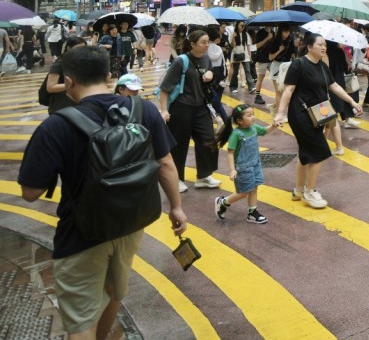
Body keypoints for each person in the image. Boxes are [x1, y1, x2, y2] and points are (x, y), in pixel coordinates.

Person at [18, 45, 187, 340]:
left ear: (68, 82)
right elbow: (166, 163)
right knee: (114, 293)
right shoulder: (143, 108)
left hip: (81, 234)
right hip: (131, 223)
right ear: (109, 75)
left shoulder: (57, 126)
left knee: (81, 317)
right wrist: (176, 208)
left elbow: (30, 192)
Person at [274, 33, 363, 208]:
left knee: (306, 153)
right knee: (321, 150)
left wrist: (351, 101)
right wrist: (280, 113)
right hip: (300, 114)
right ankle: (310, 191)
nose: (324, 47)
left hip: (317, 114)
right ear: (309, 47)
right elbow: (288, 90)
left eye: (325, 45)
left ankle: (299, 190)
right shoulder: (299, 64)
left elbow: (335, 86)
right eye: (320, 44)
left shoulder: (322, 66)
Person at [157, 29, 221, 194]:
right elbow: (165, 88)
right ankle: (176, 179)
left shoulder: (206, 58)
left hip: (200, 106)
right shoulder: (181, 61)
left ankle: (204, 176)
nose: (207, 45)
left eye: (208, 42)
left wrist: (210, 74)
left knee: (209, 140)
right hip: (181, 107)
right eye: (203, 42)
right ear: (193, 44)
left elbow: (207, 77)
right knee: (179, 145)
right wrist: (163, 110)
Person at [215, 104, 283, 224]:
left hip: (255, 164)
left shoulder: (253, 128)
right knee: (244, 192)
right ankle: (223, 202)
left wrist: (273, 126)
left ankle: (252, 212)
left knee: (254, 187)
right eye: (249, 115)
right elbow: (230, 153)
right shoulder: (236, 134)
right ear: (240, 121)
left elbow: (264, 131)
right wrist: (232, 170)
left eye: (253, 114)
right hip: (243, 168)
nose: (253, 117)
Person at [325, 39, 361, 155]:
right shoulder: (338, 51)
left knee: (330, 120)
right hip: (338, 82)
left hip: (329, 87)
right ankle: (333, 145)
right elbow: (346, 67)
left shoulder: (323, 54)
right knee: (330, 120)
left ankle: (333, 146)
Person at [43, 36, 88, 114]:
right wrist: (71, 85)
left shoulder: (82, 63)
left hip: (79, 106)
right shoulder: (60, 63)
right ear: (69, 48)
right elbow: (50, 87)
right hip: (61, 107)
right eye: (78, 48)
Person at [228, 21, 256, 93]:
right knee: (235, 71)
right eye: (241, 25)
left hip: (245, 55)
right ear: (237, 26)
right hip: (236, 54)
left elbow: (248, 46)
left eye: (243, 26)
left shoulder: (246, 34)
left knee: (247, 70)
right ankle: (233, 87)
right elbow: (233, 46)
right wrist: (234, 37)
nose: (242, 27)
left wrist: (250, 56)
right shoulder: (233, 34)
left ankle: (251, 87)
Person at [250, 25, 274, 104]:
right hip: (262, 59)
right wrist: (267, 38)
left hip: (272, 60)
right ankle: (257, 96)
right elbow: (257, 46)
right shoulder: (260, 33)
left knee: (276, 78)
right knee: (260, 78)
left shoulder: (273, 32)